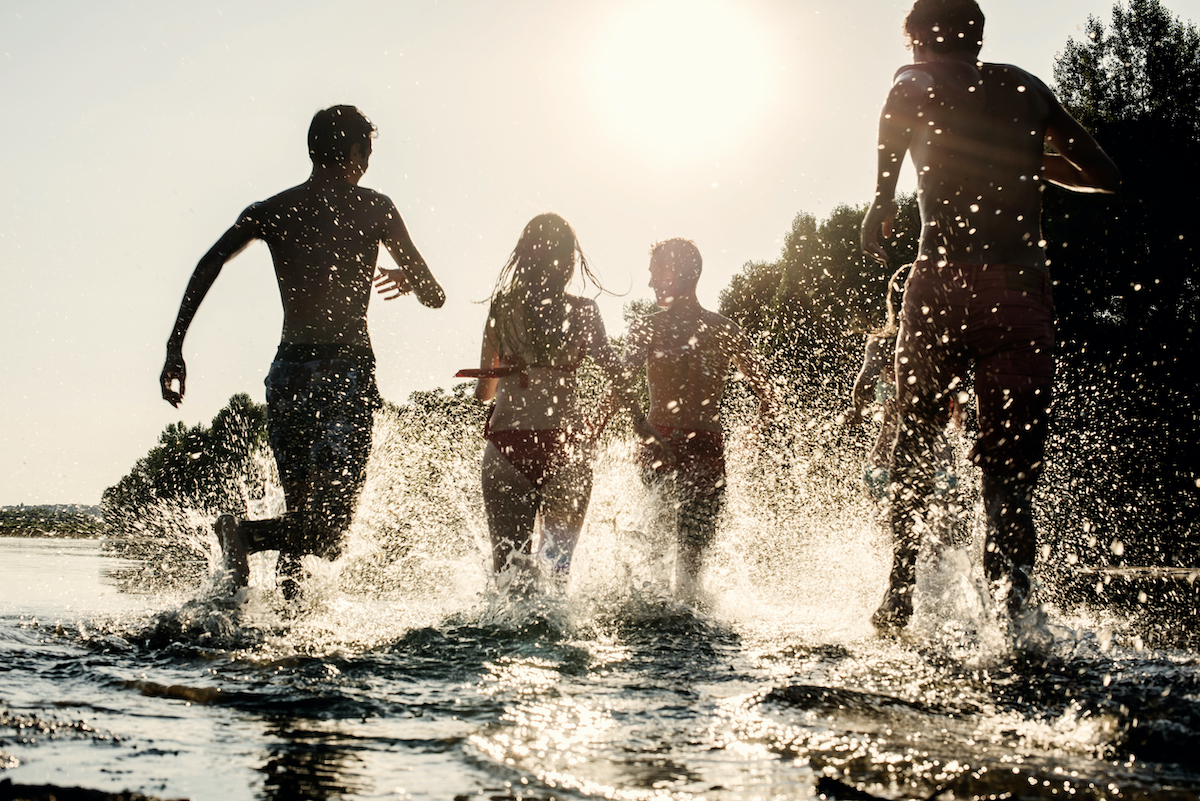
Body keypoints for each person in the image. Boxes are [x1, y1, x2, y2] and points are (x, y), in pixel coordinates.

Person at [860, 0, 1120, 632]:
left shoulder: (914, 78)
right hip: (1019, 293)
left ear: (918, 39)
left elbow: (900, 104)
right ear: (977, 37)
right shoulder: (1027, 88)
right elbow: (1105, 175)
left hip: (941, 286)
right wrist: (1025, 160)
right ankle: (1014, 621)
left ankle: (898, 595)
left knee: (915, 441)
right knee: (1010, 472)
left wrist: (882, 195)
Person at [160, 105, 445, 598]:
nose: (368, 164)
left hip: (289, 372)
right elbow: (436, 294)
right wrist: (412, 281)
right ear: (355, 151)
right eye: (368, 153)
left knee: (303, 518)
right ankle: (245, 535)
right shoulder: (375, 207)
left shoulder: (273, 208)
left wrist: (175, 346)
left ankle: (291, 634)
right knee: (329, 534)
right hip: (345, 371)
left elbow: (211, 261)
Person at [464, 213, 660, 590]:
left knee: (509, 581)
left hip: (507, 445)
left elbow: (484, 390)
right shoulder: (585, 312)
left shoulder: (502, 307)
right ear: (570, 260)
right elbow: (616, 373)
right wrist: (640, 421)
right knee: (556, 578)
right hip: (567, 448)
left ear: (524, 255)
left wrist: (503, 377)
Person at [623, 238, 776, 599]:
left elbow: (620, 386)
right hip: (702, 444)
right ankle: (685, 626)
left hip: (659, 439)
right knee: (689, 560)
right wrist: (759, 425)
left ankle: (659, 625)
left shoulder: (648, 327)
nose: (650, 283)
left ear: (677, 273)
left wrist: (599, 425)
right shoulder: (724, 329)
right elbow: (770, 392)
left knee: (659, 547)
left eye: (655, 273)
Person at [845, 266, 965, 558]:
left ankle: (888, 597)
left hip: (885, 462)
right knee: (941, 550)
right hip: (937, 467)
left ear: (893, 302)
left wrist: (857, 410)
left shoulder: (883, 343)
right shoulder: (942, 341)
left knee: (886, 549)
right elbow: (959, 405)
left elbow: (865, 381)